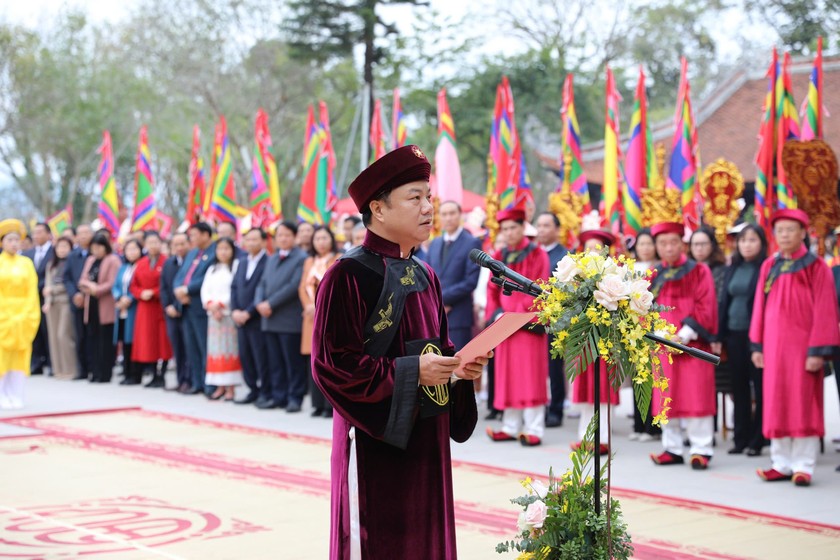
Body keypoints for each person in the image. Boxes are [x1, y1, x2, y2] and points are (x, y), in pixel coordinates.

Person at [311, 145, 489, 558]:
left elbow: (438, 348)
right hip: (375, 439)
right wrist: (412, 372)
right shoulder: (348, 275)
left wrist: (460, 369)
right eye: (415, 197)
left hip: (427, 439)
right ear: (378, 208)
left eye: (429, 196)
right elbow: (332, 367)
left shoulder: (425, 274)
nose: (429, 207)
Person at [751, 209, 840, 486]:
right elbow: (760, 307)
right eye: (780, 230)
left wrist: (817, 352)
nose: (785, 235)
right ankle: (780, 463)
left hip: (803, 350)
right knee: (777, 401)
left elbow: (826, 310)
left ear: (803, 232)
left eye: (791, 229)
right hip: (774, 349)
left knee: (803, 403)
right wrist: (757, 344)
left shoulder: (816, 266)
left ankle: (803, 465)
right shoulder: (769, 265)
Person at [649, 221, 718, 470]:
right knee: (667, 396)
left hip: (692, 346)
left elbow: (706, 305)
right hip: (662, 344)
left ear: (682, 244)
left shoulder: (699, 272)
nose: (668, 247)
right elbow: (644, 308)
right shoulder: (653, 275)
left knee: (696, 395)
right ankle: (672, 447)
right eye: (662, 243)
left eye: (673, 242)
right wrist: (659, 334)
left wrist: (683, 335)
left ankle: (701, 448)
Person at [485, 207, 550, 447]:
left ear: (523, 227)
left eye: (513, 227)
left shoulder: (537, 254)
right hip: (505, 325)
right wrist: (497, 313)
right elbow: (491, 290)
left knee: (530, 376)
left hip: (528, 325)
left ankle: (534, 428)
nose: (509, 232)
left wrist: (519, 314)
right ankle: (510, 427)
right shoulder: (499, 256)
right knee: (508, 375)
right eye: (505, 229)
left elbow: (540, 287)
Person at [715, 224, 767, 456]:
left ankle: (758, 439)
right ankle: (741, 438)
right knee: (739, 387)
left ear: (761, 243)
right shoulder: (732, 268)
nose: (746, 244)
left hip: (757, 337)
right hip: (734, 335)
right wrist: (719, 335)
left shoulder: (766, 267)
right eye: (743, 240)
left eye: (752, 240)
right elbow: (724, 303)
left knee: (760, 387)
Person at [570, 228, 620, 454]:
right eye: (587, 248)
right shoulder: (575, 277)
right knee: (586, 390)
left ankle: (602, 438)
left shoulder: (616, 276)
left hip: (606, 340)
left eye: (596, 248)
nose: (591, 253)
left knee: (602, 389)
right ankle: (584, 436)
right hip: (584, 339)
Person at [255, 222, 307, 411]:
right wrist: (259, 302)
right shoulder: (272, 258)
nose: (283, 239)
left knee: (292, 362)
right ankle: (279, 396)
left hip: (288, 319)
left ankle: (295, 397)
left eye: (287, 235)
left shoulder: (301, 258)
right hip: (268, 319)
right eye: (279, 235)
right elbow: (261, 283)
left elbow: (293, 286)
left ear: (294, 237)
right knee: (274, 362)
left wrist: (270, 303)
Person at [299, 225, 340, 417]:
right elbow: (302, 287)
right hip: (310, 317)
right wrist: (308, 305)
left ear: (331, 239)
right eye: (317, 239)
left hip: (330, 314)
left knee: (328, 359)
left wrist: (319, 305)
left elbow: (335, 286)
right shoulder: (309, 261)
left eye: (324, 238)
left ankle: (329, 405)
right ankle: (316, 404)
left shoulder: (337, 259)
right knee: (312, 358)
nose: (321, 242)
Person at [0, 220, 41, 409]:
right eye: (10, 240)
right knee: (2, 356)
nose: (14, 243)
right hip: (3, 316)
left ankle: (16, 394)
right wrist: (6, 315)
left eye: (17, 240)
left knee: (20, 356)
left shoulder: (27, 264)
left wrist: (25, 315)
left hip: (23, 315)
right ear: (2, 242)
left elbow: (31, 292)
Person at [174, 222, 217, 396]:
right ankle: (197, 382)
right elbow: (180, 276)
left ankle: (210, 385)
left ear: (206, 235)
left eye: (195, 235)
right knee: (191, 347)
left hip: (201, 305)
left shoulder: (214, 253)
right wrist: (178, 290)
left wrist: (187, 290)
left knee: (204, 346)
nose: (192, 238)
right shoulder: (192, 254)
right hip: (186, 306)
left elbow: (207, 278)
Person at [535, 212, 568, 428]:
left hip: (555, 319)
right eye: (539, 225)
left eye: (547, 225)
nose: (541, 230)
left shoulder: (565, 256)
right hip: (534, 317)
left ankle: (556, 409)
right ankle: (538, 406)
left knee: (554, 366)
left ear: (557, 229)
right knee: (537, 366)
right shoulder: (533, 253)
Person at [231, 228, 270, 405]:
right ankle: (252, 389)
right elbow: (234, 288)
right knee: (245, 356)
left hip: (256, 318)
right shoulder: (241, 261)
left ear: (263, 241)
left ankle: (265, 391)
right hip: (240, 318)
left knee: (260, 357)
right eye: (248, 240)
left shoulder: (268, 261)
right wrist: (235, 310)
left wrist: (248, 312)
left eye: (255, 240)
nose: (251, 243)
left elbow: (263, 290)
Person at [629, 228, 661, 441]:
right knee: (637, 375)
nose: (646, 248)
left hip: (654, 324)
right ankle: (639, 425)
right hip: (633, 325)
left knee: (654, 375)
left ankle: (653, 426)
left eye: (650, 244)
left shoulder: (660, 269)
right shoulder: (629, 269)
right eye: (642, 244)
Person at [201, 237, 243, 401]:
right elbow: (205, 290)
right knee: (215, 351)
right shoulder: (212, 269)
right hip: (213, 317)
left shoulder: (236, 267)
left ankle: (231, 388)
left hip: (228, 315)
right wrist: (210, 304)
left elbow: (234, 290)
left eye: (226, 249)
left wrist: (220, 305)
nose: (223, 252)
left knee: (229, 350)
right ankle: (219, 386)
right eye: (220, 249)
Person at [130, 231, 172, 388]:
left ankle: (162, 374)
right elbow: (133, 285)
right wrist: (141, 293)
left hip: (159, 306)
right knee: (149, 342)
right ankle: (153, 373)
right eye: (150, 242)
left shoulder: (167, 262)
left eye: (156, 242)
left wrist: (154, 292)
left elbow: (169, 284)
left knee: (163, 342)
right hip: (145, 307)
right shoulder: (140, 263)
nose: (153, 245)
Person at [79, 233, 121, 384]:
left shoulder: (113, 260)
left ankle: (105, 373)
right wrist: (89, 287)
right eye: (93, 248)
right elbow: (83, 279)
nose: (96, 251)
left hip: (105, 303)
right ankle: (94, 371)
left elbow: (112, 282)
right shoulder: (90, 260)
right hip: (91, 304)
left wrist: (97, 289)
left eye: (99, 247)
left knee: (105, 340)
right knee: (93, 339)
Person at [43, 237, 77, 380]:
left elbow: (70, 284)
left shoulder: (72, 263)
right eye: (59, 247)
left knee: (63, 335)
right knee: (53, 337)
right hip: (52, 304)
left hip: (65, 302)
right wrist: (47, 301)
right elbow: (47, 283)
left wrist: (53, 290)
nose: (62, 250)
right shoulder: (51, 264)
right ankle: (58, 370)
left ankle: (71, 369)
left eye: (65, 246)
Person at [23, 222, 53, 375]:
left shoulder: (55, 252)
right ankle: (36, 363)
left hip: (48, 298)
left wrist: (40, 287)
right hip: (30, 300)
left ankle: (51, 362)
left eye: (40, 232)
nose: (36, 235)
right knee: (33, 331)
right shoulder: (27, 254)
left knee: (48, 331)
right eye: (34, 232)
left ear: (48, 234)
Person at [161, 232, 190, 393]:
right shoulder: (168, 263)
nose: (179, 248)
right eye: (176, 245)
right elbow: (164, 287)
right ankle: (180, 380)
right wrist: (168, 307)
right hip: (170, 312)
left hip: (186, 311)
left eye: (182, 244)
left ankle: (189, 380)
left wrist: (178, 307)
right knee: (177, 348)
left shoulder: (192, 262)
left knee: (188, 348)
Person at [64, 224, 93, 380]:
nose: (83, 236)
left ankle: (93, 367)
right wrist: (74, 294)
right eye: (80, 233)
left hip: (92, 300)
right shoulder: (72, 255)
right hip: (76, 301)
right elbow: (66, 278)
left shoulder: (95, 253)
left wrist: (85, 293)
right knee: (79, 335)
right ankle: (81, 369)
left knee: (92, 335)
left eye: (86, 233)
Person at [113, 239, 142, 385]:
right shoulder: (123, 268)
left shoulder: (141, 266)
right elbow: (116, 286)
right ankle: (126, 372)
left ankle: (135, 374)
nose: (131, 252)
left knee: (133, 341)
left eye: (134, 249)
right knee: (123, 341)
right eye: (128, 249)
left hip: (134, 308)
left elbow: (140, 285)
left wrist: (129, 298)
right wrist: (119, 297)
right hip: (122, 308)